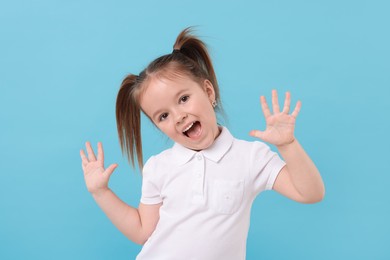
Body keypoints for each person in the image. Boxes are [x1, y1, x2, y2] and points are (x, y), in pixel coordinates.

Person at [80, 27, 325, 259]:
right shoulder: (159, 167)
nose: (178, 116)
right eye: (163, 116)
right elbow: (143, 231)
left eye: (184, 99)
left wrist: (288, 145)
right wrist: (101, 192)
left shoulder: (250, 157)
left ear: (208, 91)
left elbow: (310, 193)